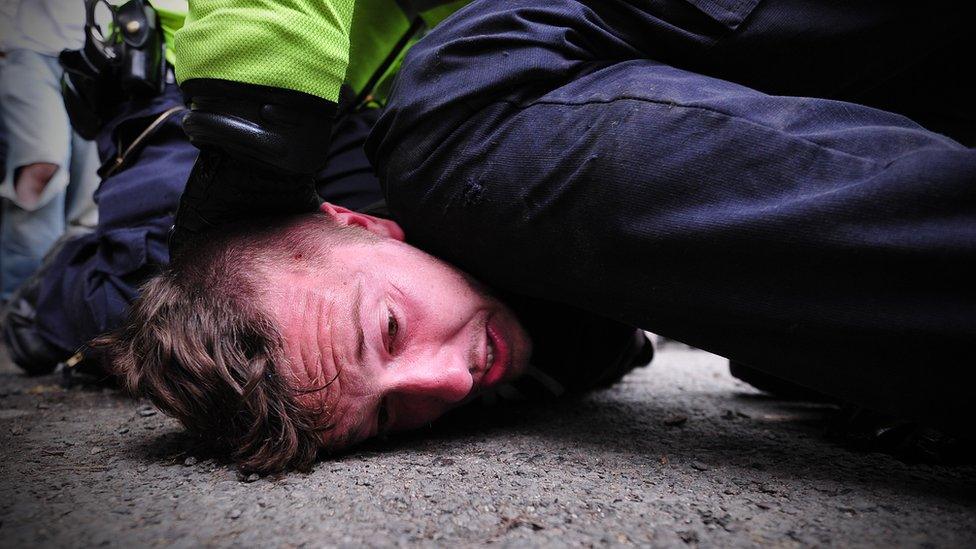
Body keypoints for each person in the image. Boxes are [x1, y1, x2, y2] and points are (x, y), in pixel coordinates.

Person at [98, 0, 975, 473]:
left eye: (391, 331)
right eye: (395, 416)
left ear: (358, 221)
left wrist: (258, 114)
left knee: (443, 134)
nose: (448, 384)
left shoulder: (418, 129)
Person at [0, 0, 101, 300]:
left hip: (95, 53)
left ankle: (55, 307)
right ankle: (14, 302)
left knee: (90, 194)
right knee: (41, 166)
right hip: (26, 45)